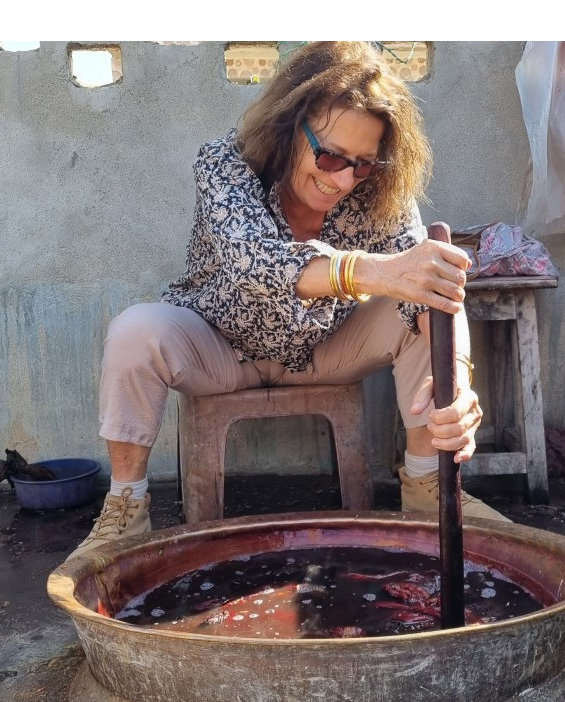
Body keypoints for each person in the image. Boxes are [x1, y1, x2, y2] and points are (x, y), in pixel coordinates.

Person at [69, 40, 508, 561]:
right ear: (288, 125)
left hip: (326, 350)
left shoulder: (382, 190)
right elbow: (256, 264)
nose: (342, 179)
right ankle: (125, 509)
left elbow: (428, 286)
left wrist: (458, 381)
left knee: (420, 304)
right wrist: (373, 270)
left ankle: (427, 487)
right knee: (134, 331)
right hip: (222, 347)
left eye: (362, 165)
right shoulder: (225, 164)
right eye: (330, 156)